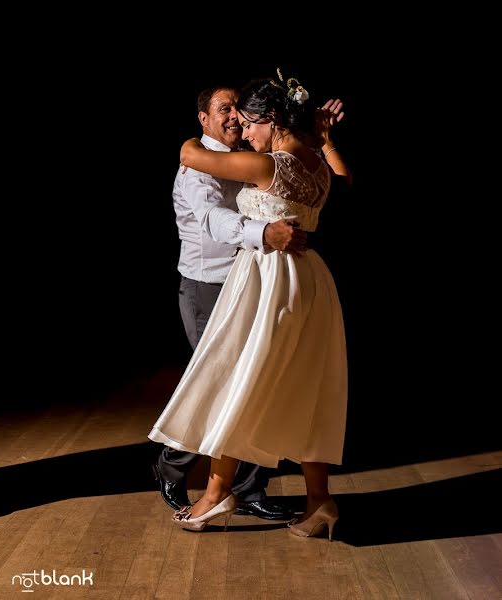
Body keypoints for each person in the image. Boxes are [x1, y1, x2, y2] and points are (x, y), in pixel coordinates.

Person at [148, 74, 348, 540]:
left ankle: (218, 493)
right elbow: (343, 178)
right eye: (231, 118)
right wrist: (321, 139)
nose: (243, 130)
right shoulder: (318, 167)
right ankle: (320, 502)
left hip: (269, 280)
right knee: (304, 388)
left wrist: (196, 134)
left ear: (273, 121)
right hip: (311, 281)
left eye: (249, 122)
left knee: (237, 381)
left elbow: (188, 153)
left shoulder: (268, 166)